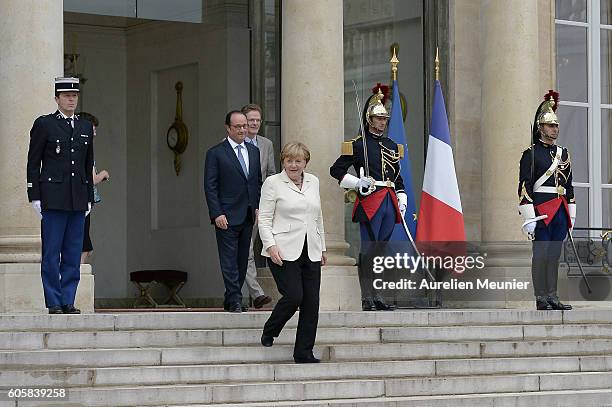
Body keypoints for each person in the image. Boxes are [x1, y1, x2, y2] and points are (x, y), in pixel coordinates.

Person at [330, 88, 406, 311]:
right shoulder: (357, 144)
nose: (382, 123)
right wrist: (356, 183)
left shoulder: (392, 146)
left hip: (389, 200)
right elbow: (336, 170)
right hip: (371, 200)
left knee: (381, 250)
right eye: (378, 118)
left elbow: (397, 176)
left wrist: (402, 198)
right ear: (369, 119)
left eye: (384, 119)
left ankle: (378, 295)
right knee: (368, 249)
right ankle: (367, 296)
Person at [26, 77, 94, 314]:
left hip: (77, 198)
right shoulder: (45, 124)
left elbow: (88, 165)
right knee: (52, 252)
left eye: (74, 96)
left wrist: (89, 197)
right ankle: (54, 301)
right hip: (52, 197)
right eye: (66, 96)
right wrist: (34, 195)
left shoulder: (85, 126)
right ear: (57, 98)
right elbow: (34, 162)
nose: (71, 99)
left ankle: (68, 299)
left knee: (73, 253)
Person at [259, 142, 326, 363]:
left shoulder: (313, 181)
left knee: (311, 303)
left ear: (305, 162)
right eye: (289, 160)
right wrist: (270, 246)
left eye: (298, 161)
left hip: (311, 250)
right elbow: (265, 219)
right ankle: (271, 329)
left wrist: (322, 246)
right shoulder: (273, 183)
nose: (293, 165)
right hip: (283, 250)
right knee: (294, 296)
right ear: (283, 161)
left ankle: (304, 352)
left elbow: (317, 217)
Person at [518, 90, 575, 311]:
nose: (555, 129)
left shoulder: (564, 153)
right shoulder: (530, 154)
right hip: (541, 210)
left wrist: (571, 212)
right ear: (540, 128)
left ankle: (553, 295)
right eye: (551, 125)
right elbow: (524, 187)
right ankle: (541, 297)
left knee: (554, 256)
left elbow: (569, 185)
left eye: (556, 125)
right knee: (540, 255)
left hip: (559, 210)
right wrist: (529, 216)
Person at [204, 110, 262, 313]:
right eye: (238, 126)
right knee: (228, 259)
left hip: (247, 214)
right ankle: (236, 298)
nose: (242, 130)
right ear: (228, 128)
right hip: (226, 216)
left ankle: (231, 298)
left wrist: (257, 207)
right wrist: (216, 213)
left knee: (241, 260)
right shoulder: (216, 153)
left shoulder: (254, 151)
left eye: (244, 126)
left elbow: (256, 183)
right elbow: (210, 186)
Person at [240, 103, 276, 309]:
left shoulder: (266, 144)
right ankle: (256, 292)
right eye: (250, 120)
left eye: (257, 120)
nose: (254, 124)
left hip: (263, 205)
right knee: (247, 250)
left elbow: (271, 174)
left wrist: (269, 201)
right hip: (242, 207)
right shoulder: (231, 144)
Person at [77, 112, 110, 264]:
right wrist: (103, 174)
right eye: (93, 129)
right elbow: (91, 179)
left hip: (83, 200)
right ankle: (79, 270)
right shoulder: (82, 148)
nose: (95, 133)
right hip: (83, 200)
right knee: (84, 242)